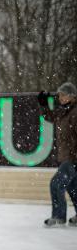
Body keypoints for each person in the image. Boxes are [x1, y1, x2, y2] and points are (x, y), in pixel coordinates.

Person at [38, 82, 77, 227]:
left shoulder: (75, 112)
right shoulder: (64, 111)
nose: (60, 97)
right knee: (73, 188)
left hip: (72, 158)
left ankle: (59, 217)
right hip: (66, 156)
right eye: (59, 95)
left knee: (56, 184)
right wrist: (43, 104)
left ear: (71, 96)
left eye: (62, 95)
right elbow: (50, 117)